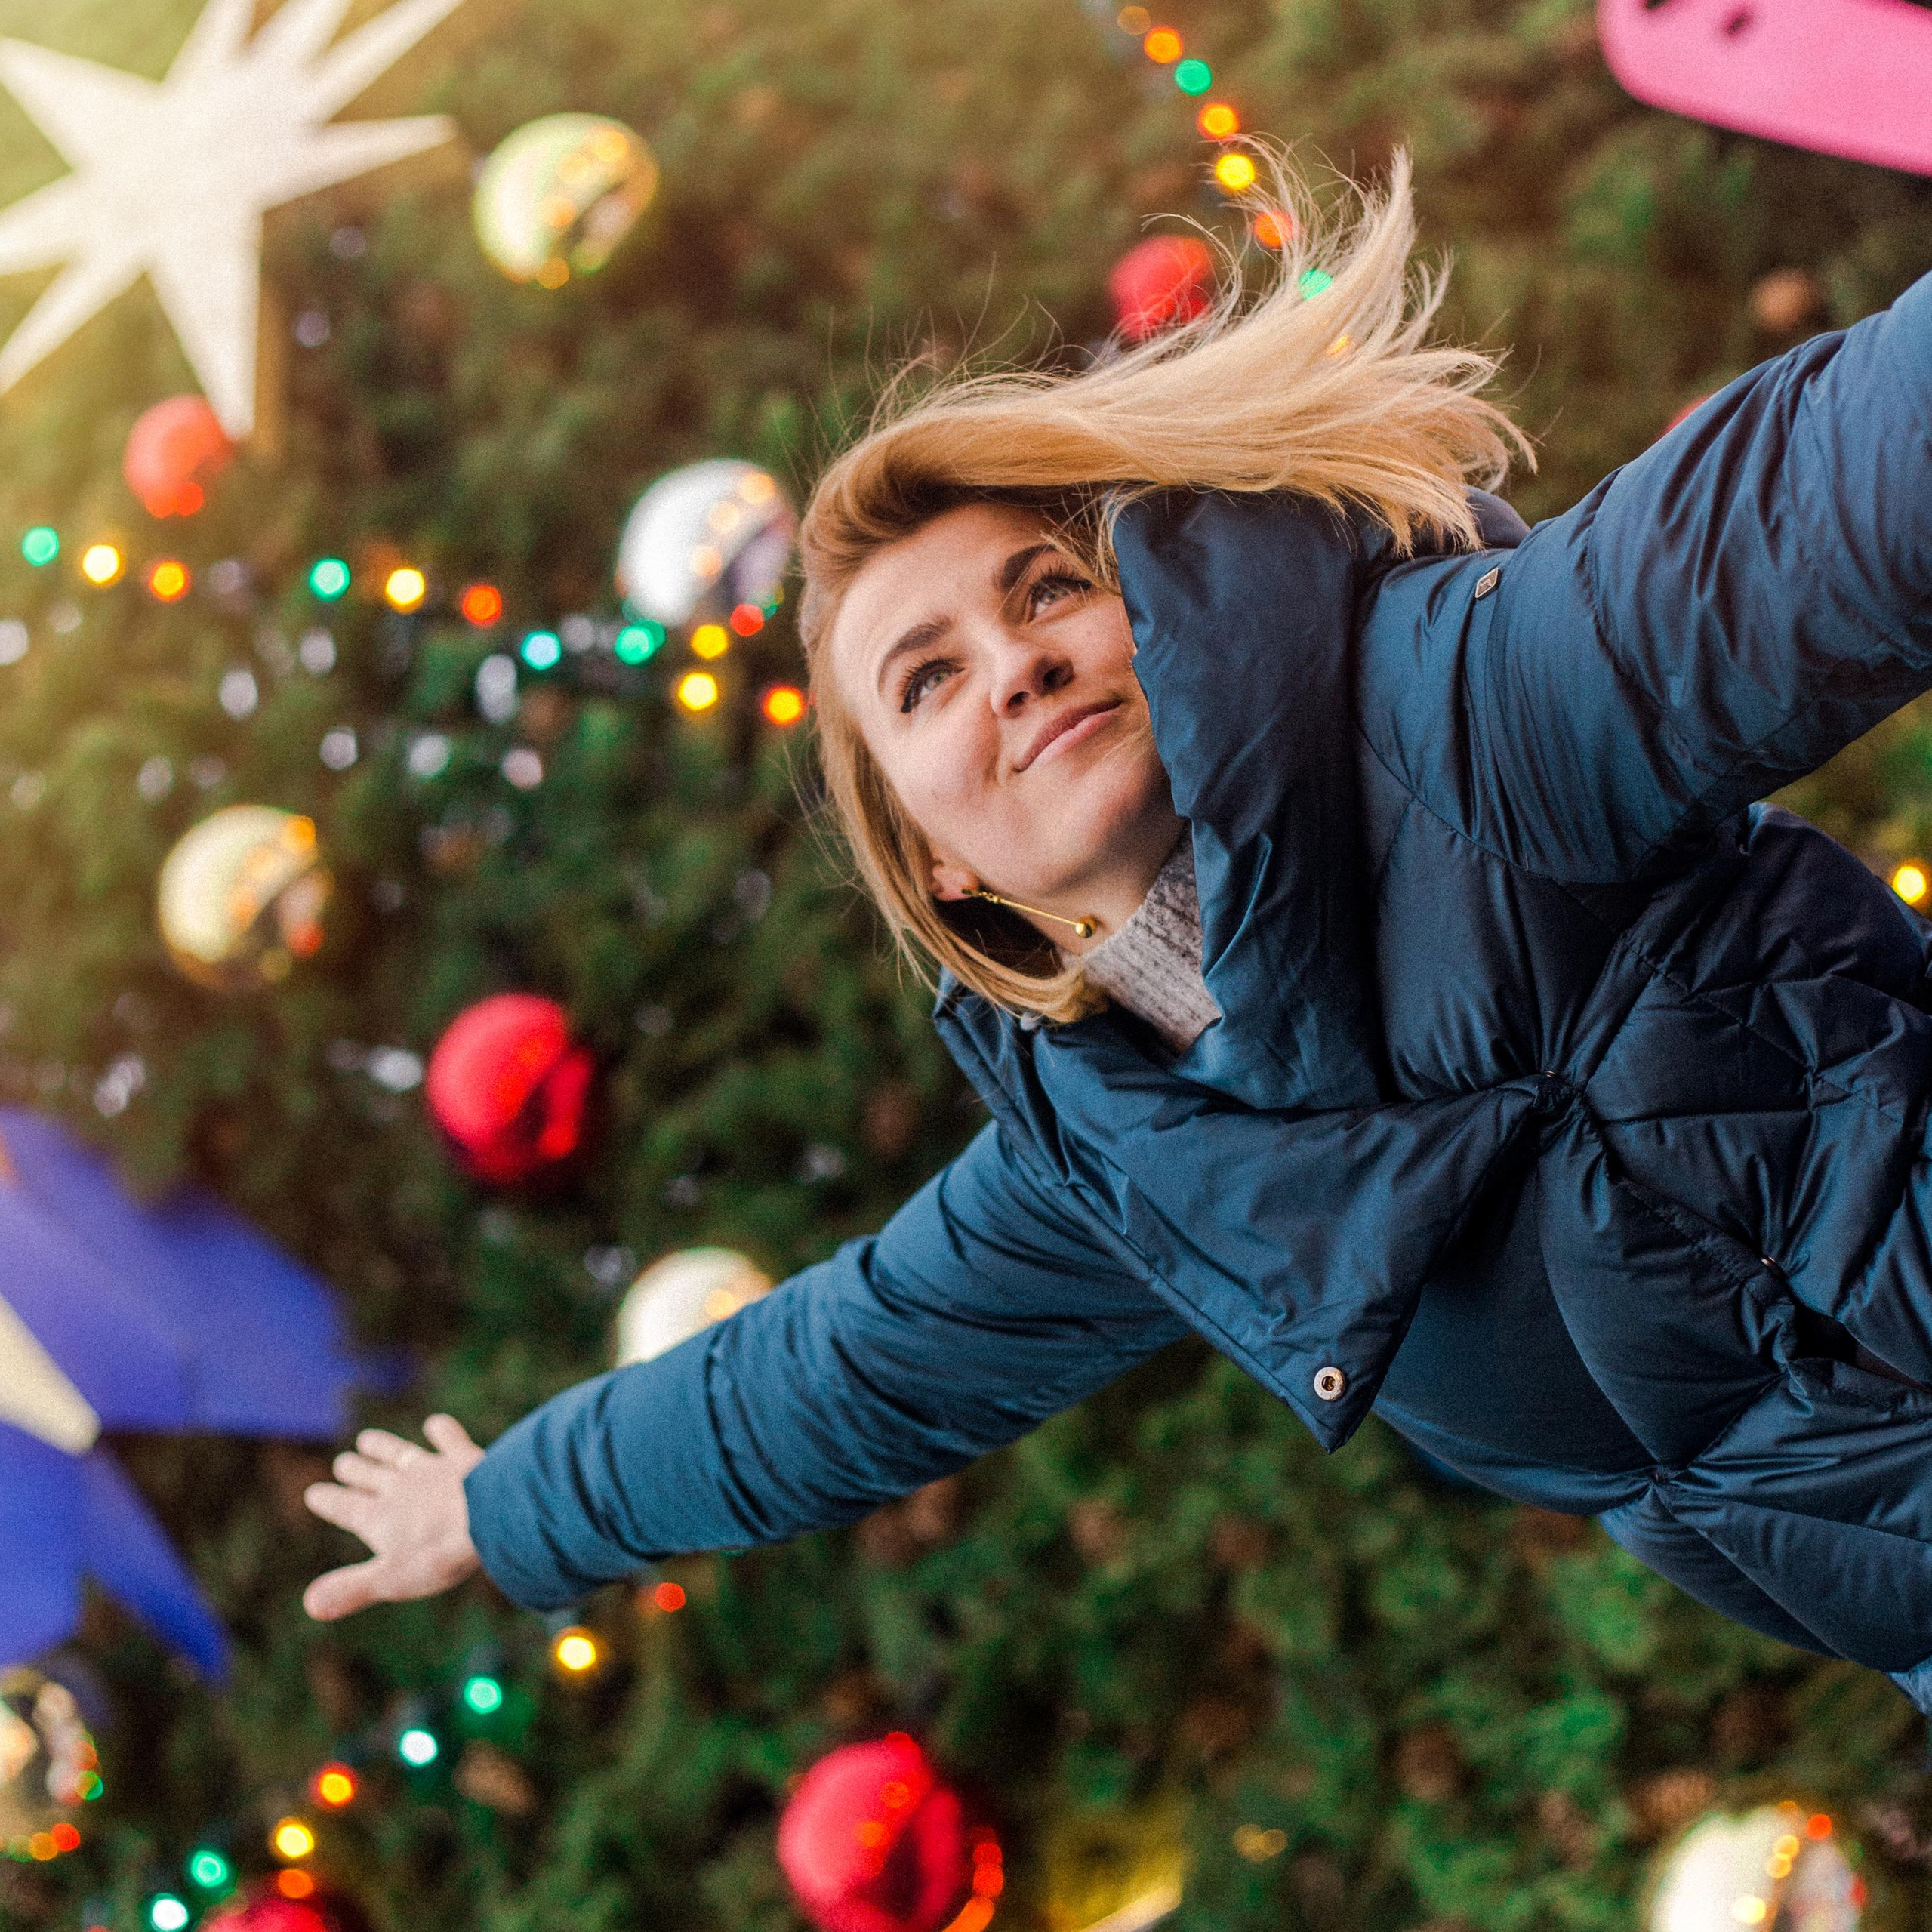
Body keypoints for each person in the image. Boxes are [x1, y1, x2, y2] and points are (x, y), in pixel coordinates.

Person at [304, 152, 1932, 1711]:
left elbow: (1799, 515)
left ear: (1144, 618)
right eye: (925, 679)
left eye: (1039, 590)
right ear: (939, 864)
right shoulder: (1123, 1152)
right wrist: (509, 1505)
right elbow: (825, 1378)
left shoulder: (1455, 710)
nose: (1009, 664)